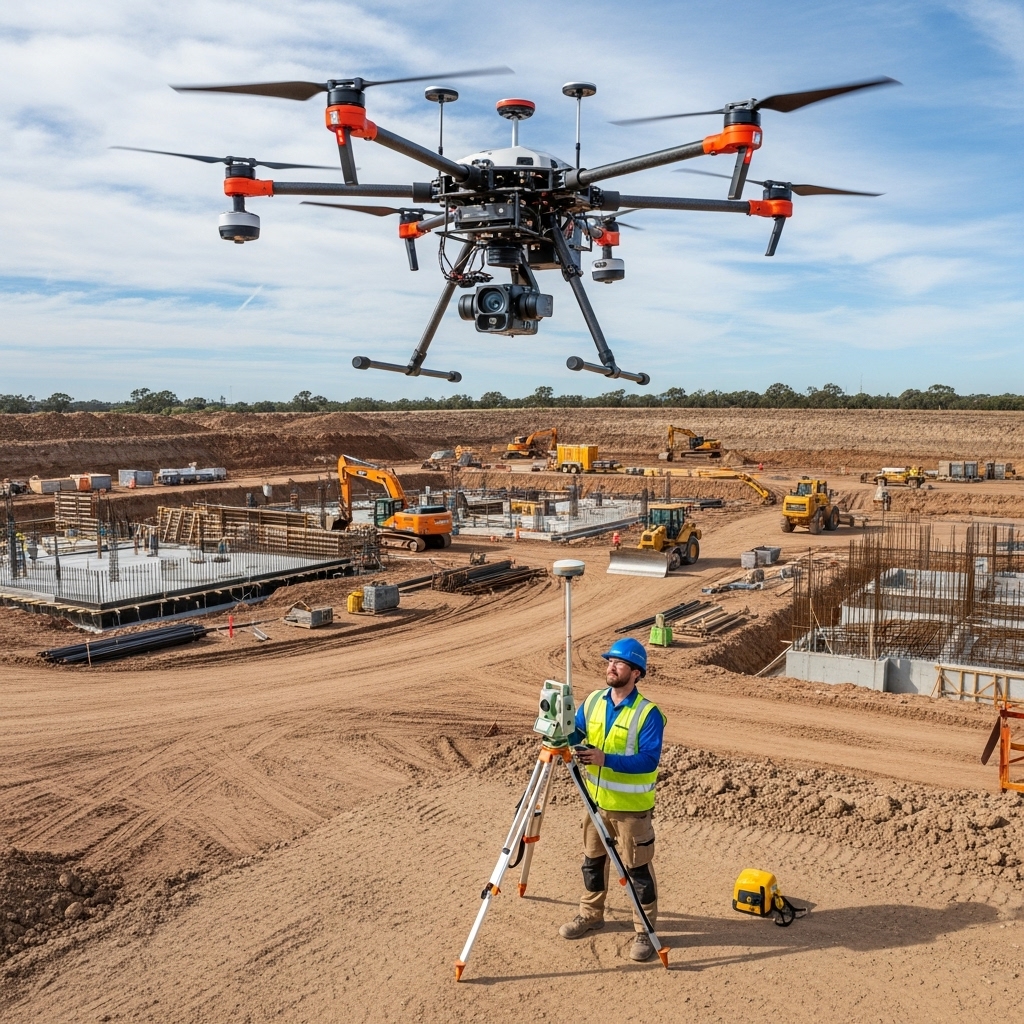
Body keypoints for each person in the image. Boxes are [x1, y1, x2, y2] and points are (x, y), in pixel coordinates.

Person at [559, 637, 666, 962]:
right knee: (592, 863)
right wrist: (562, 728)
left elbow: (649, 760)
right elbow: (577, 733)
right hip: (594, 803)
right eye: (610, 662)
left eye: (619, 663)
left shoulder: (647, 713)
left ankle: (644, 930)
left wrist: (606, 759)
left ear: (636, 672)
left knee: (637, 870)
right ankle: (591, 915)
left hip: (632, 811)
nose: (611, 667)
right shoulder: (593, 701)